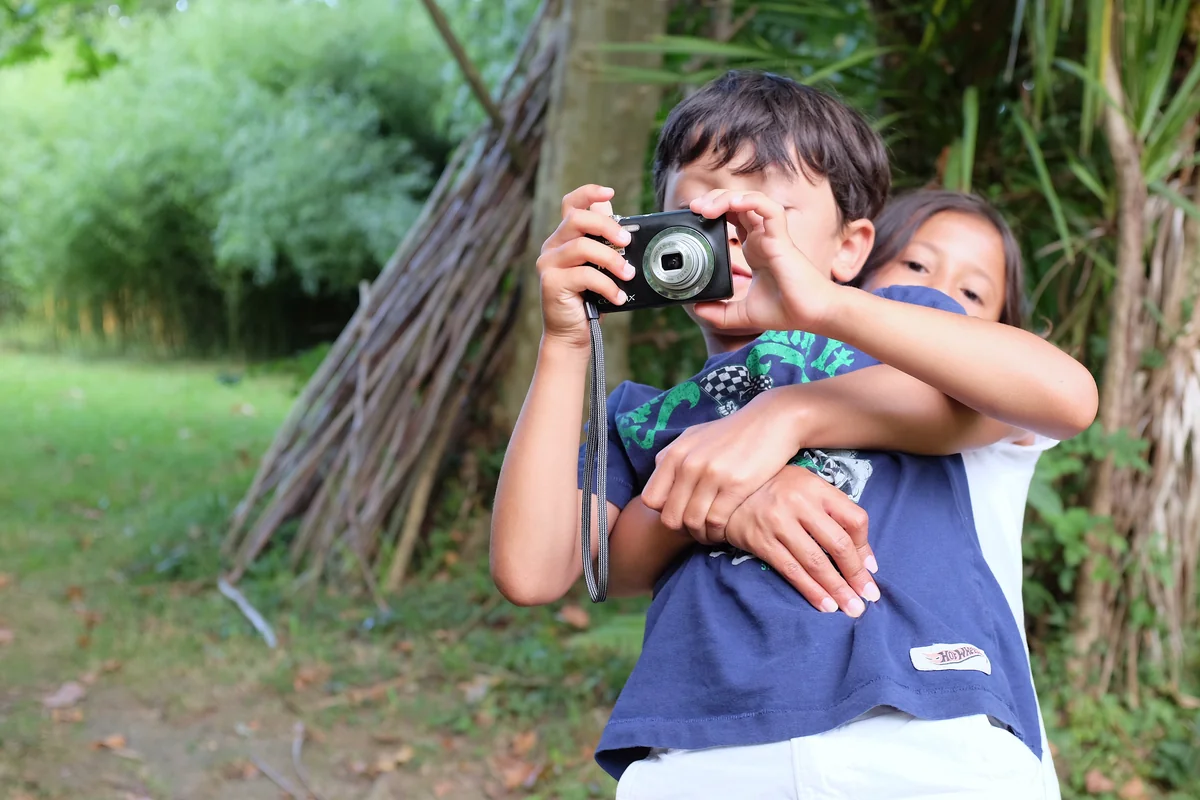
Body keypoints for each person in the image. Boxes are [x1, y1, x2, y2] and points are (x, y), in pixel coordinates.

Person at [490, 70, 1097, 798]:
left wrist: (822, 315)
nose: (733, 231)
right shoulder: (642, 417)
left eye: (770, 208)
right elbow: (535, 572)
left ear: (851, 247)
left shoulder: (900, 333)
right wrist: (565, 340)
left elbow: (1065, 398)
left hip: (921, 732)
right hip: (699, 758)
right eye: (701, 206)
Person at [640, 188, 1068, 798]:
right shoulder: (767, 385)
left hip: (954, 721)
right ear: (855, 264)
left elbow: (1056, 394)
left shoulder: (996, 411)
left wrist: (789, 414)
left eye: (973, 295)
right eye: (916, 266)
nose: (940, 295)